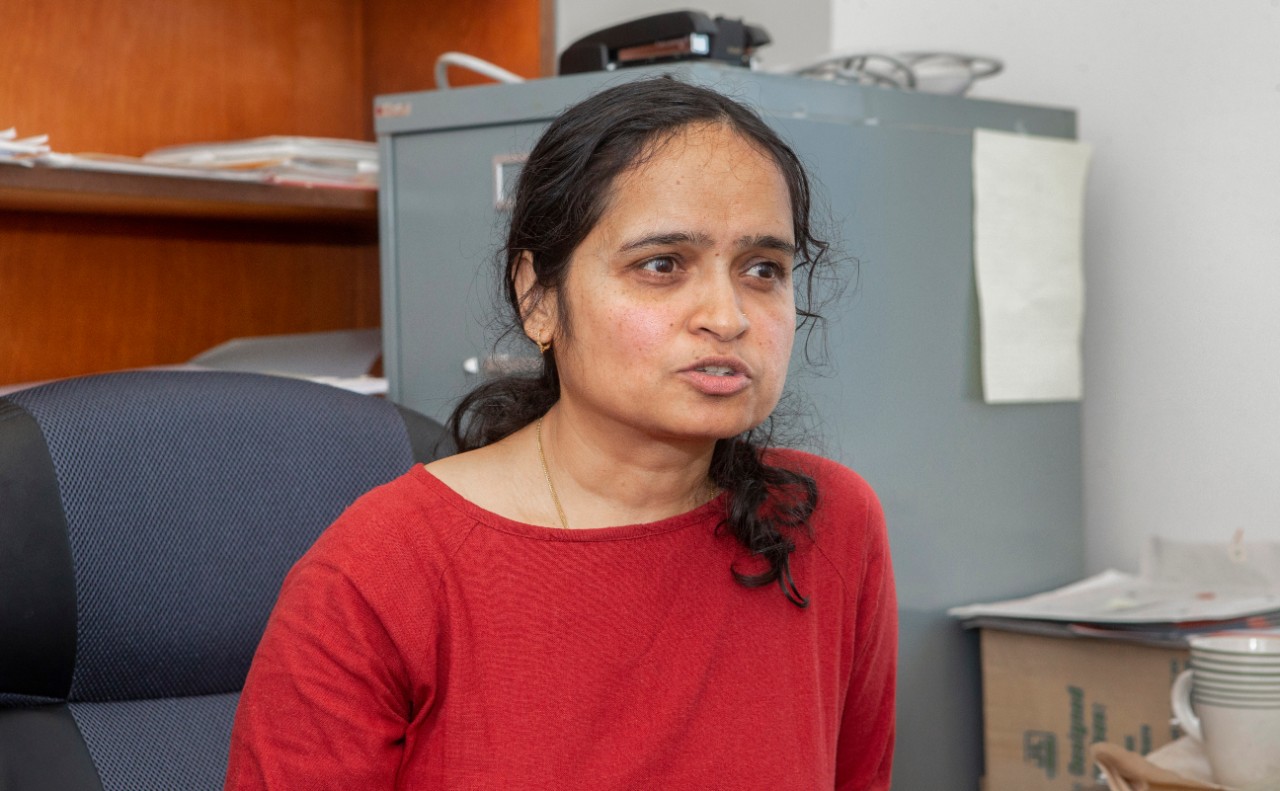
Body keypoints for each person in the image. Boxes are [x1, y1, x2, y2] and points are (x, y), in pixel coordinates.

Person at [225, 76, 897, 790]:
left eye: (763, 269)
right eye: (662, 265)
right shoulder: (380, 573)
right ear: (537, 297)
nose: (727, 316)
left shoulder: (831, 525)